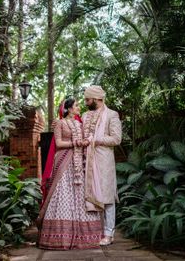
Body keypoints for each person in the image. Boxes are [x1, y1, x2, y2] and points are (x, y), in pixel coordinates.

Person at [37, 98, 102, 250]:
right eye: (76, 105)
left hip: (78, 164)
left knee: (79, 195)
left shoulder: (80, 124)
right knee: (63, 193)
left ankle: (84, 236)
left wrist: (85, 142)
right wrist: (75, 143)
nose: (79, 107)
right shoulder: (60, 123)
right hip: (64, 161)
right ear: (69, 109)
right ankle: (59, 236)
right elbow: (59, 143)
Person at [82, 85, 122, 246]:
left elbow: (116, 139)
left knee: (107, 197)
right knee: (89, 195)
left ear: (97, 99)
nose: (85, 102)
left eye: (87, 99)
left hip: (103, 160)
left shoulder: (112, 115)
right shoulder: (85, 115)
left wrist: (97, 140)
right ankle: (94, 231)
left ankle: (109, 233)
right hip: (86, 160)